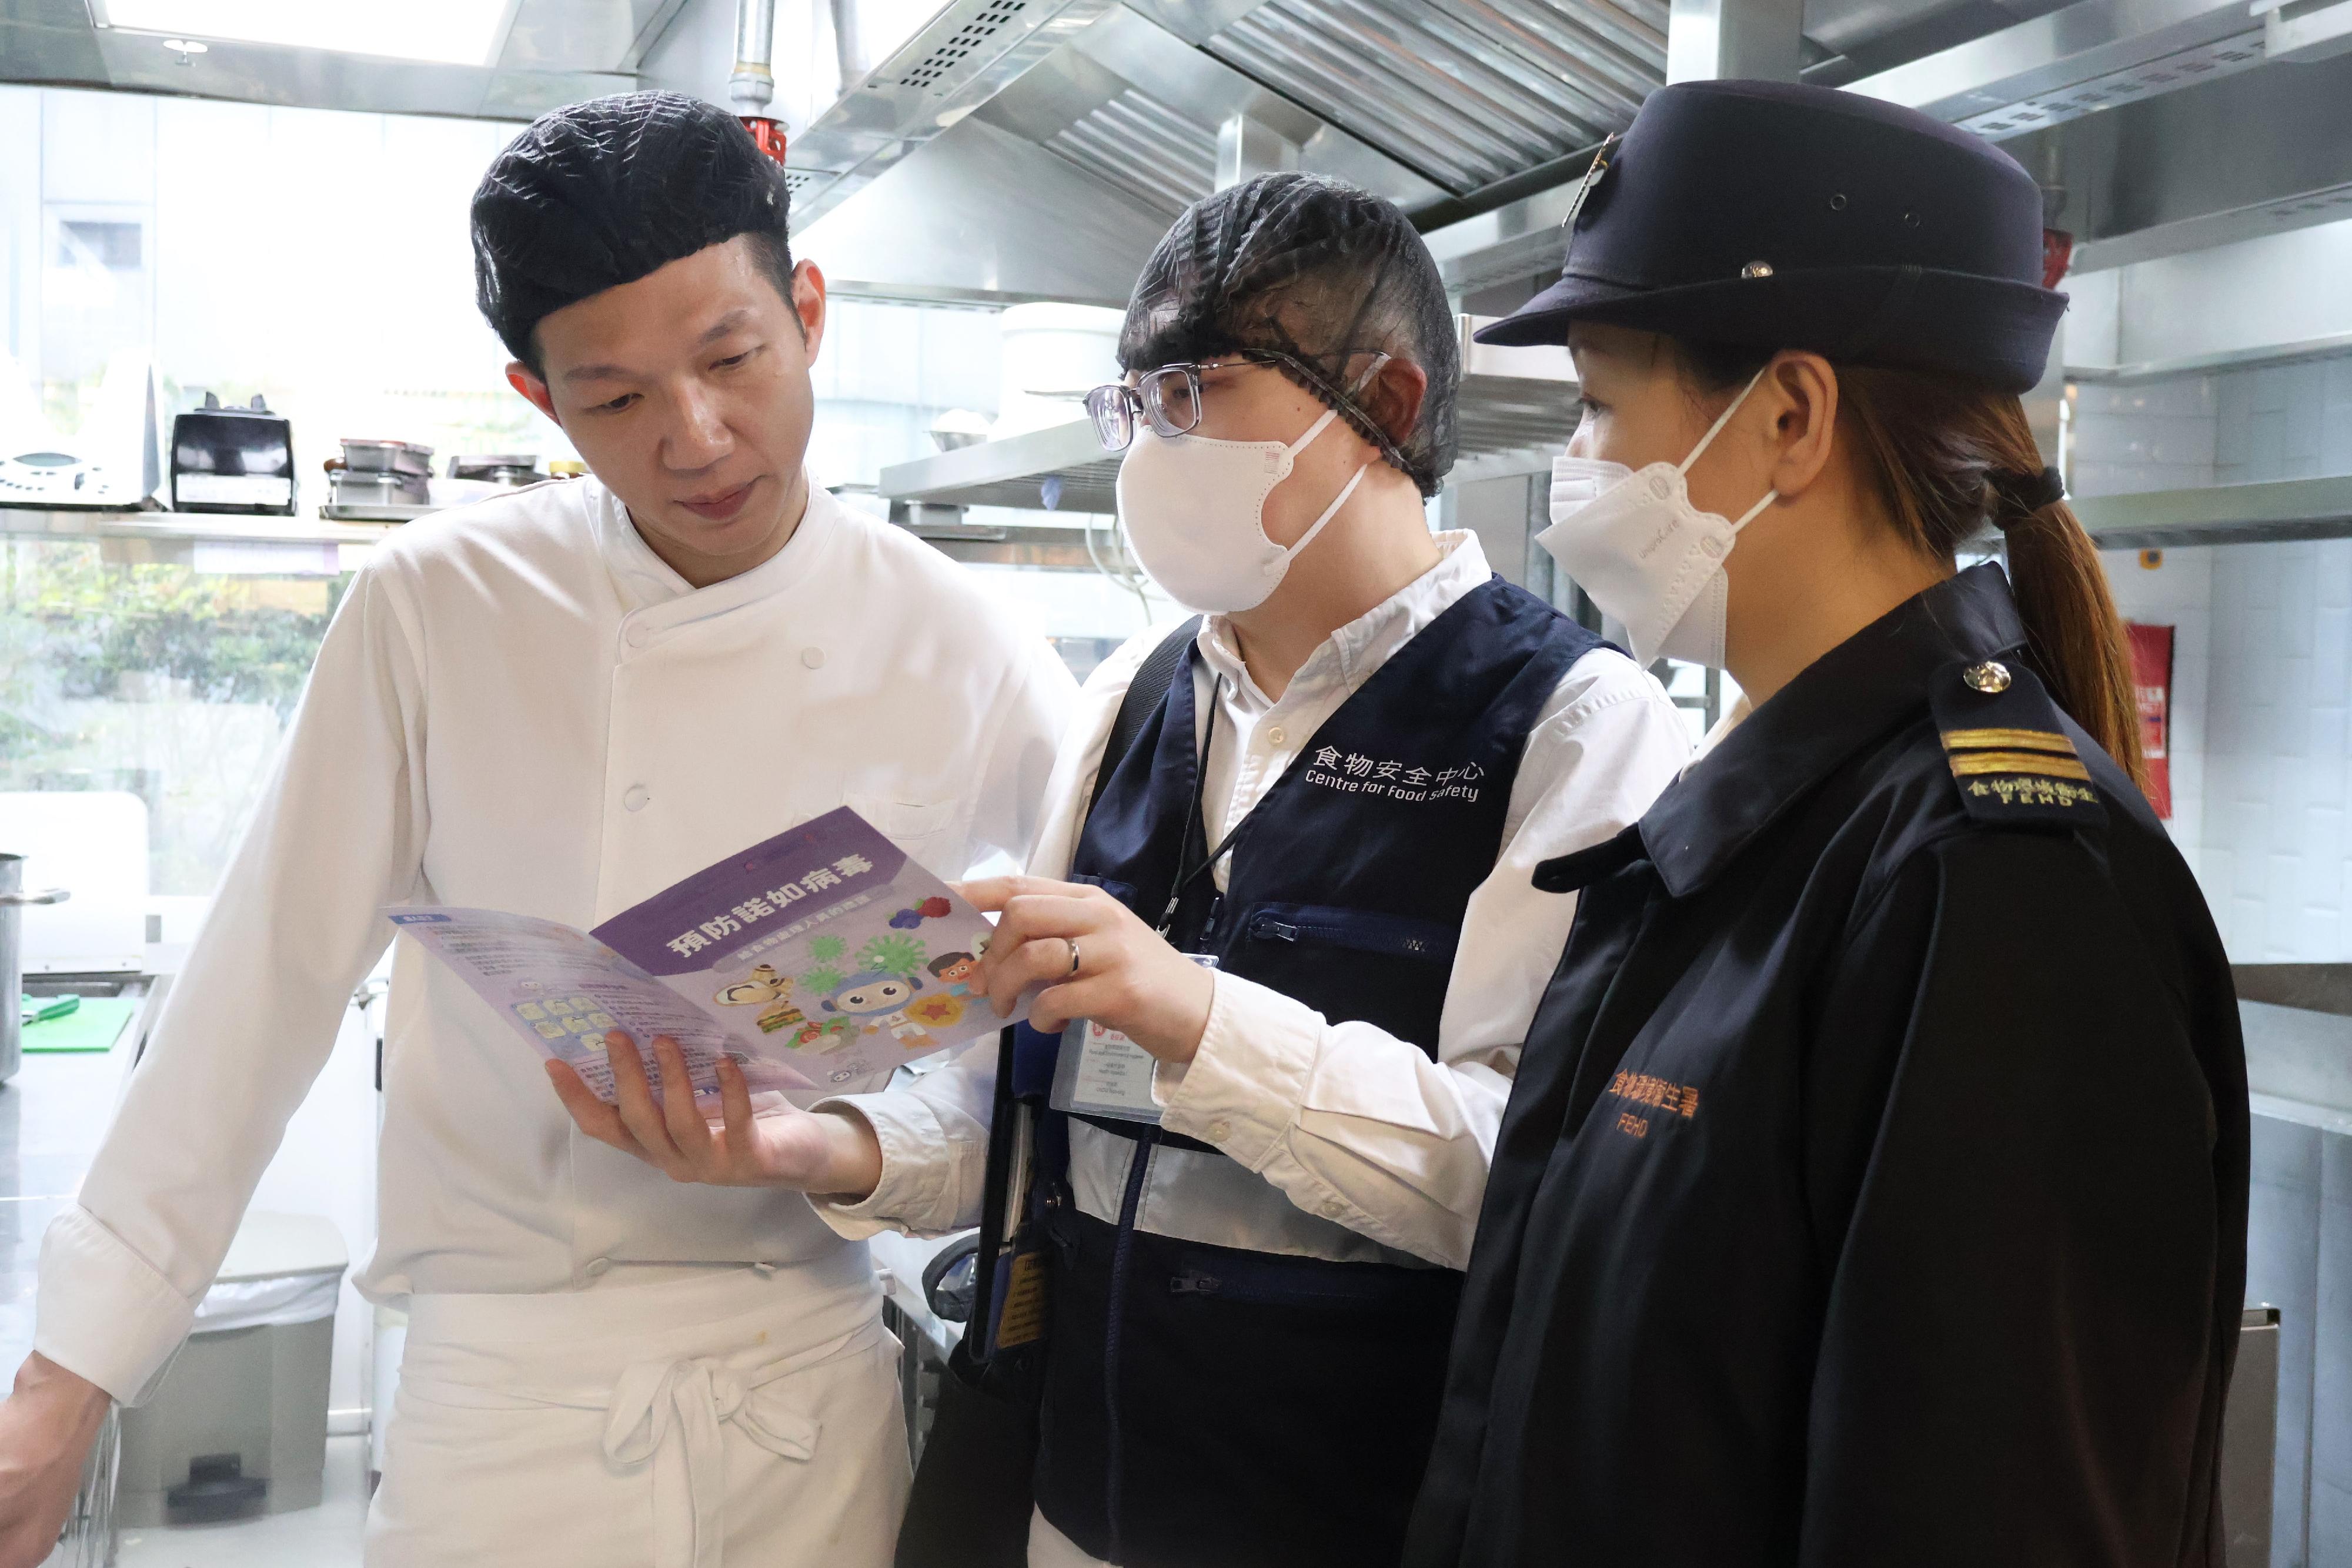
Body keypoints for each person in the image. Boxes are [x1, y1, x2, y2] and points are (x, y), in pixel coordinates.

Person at [551, 171, 1692, 1568]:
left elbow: (1536, 1181)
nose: (1153, 445)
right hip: (1074, 1503)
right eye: (1134, 403)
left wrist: (1198, 1017)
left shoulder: (1572, 723)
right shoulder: (1133, 701)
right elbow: (1014, 1129)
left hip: (1363, 1514)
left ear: (1385, 407)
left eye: (1198, 391)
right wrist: (814, 1143)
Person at [0, 92, 1073, 1568]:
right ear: (535, 396)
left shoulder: (970, 646)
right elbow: (259, 992)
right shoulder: (437, 607)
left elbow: (1032, 1074)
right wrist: (68, 1379)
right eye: (616, 398)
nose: (694, 438)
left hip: (804, 1394)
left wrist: (826, 1140)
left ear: (807, 312)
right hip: (502, 1399)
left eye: (730, 358)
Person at [1402, 81, 2247, 1567]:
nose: (1578, 465)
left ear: (1787, 415)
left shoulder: (1992, 882)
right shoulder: (1771, 819)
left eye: (1602, 400)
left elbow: (1982, 1508)